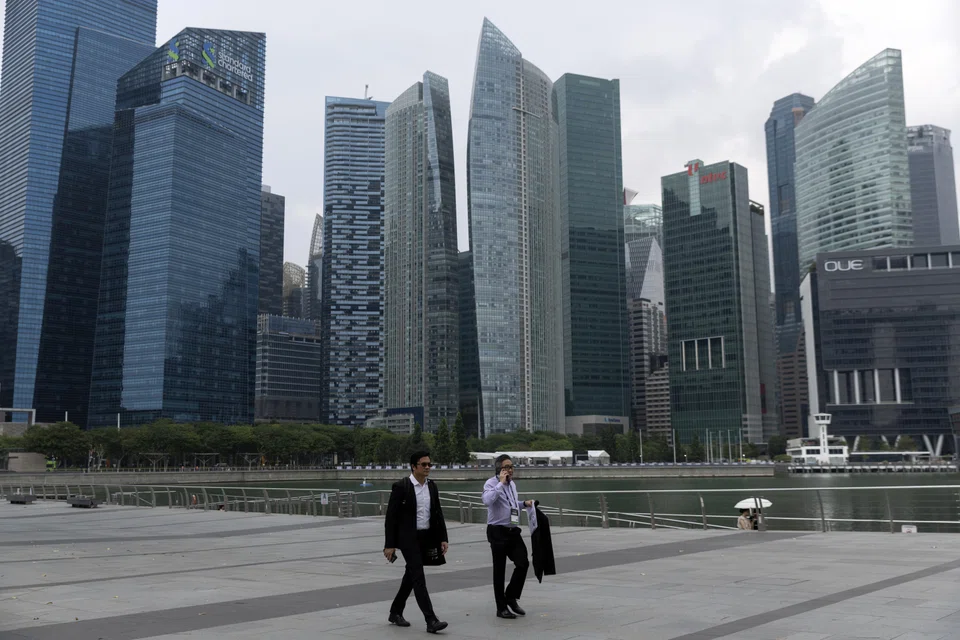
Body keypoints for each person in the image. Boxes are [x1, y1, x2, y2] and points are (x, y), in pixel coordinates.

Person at [383, 451, 449, 634]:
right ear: (414, 466)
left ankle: (395, 612)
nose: (427, 467)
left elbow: (438, 513)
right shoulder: (401, 487)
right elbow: (391, 518)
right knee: (418, 576)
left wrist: (443, 538)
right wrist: (390, 544)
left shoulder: (432, 486)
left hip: (426, 537)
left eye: (429, 464)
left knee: (411, 576)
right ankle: (431, 620)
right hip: (408, 539)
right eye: (424, 464)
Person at [482, 454, 535, 619]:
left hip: (512, 530)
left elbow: (512, 505)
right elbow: (487, 501)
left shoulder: (512, 485)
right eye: (506, 467)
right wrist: (500, 484)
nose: (510, 470)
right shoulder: (491, 484)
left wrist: (524, 504)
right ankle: (501, 607)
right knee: (499, 570)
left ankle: (511, 597)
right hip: (497, 531)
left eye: (511, 467)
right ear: (499, 469)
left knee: (523, 563)